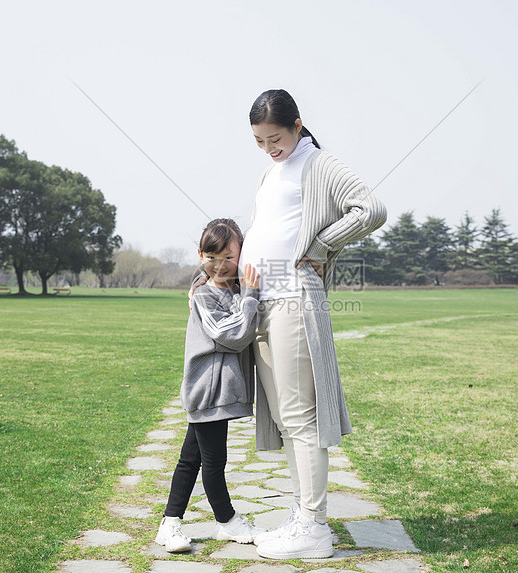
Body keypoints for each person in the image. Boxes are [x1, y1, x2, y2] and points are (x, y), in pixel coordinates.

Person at [243, 89, 387, 559]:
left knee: (299, 414)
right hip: (263, 300)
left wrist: (322, 247)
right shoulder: (271, 171)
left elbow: (370, 208)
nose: (270, 147)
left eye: (276, 137)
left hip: (294, 299)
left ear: (298, 125)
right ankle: (302, 514)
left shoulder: (317, 164)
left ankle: (315, 527)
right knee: (285, 418)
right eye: (261, 141)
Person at [156, 218, 266, 553]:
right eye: (212, 257)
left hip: (214, 391)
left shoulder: (227, 291)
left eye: (229, 257)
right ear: (200, 254)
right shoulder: (205, 294)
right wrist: (249, 296)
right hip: (208, 390)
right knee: (213, 463)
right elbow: (231, 336)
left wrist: (244, 295)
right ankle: (226, 520)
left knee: (190, 460)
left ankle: (170, 524)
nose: (220, 265)